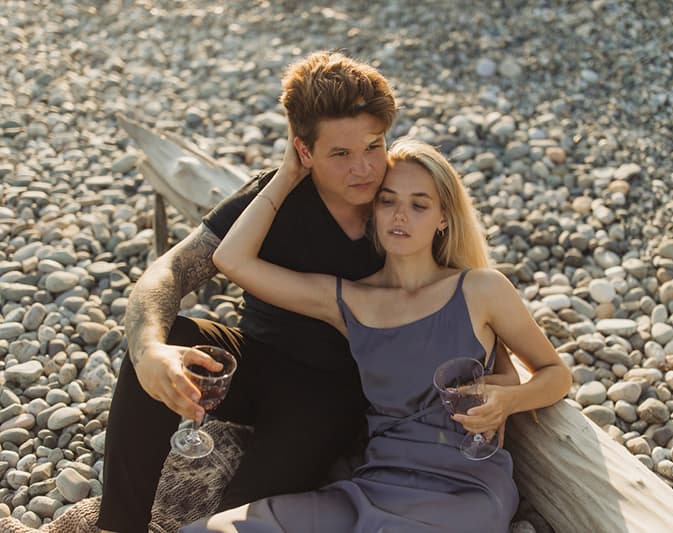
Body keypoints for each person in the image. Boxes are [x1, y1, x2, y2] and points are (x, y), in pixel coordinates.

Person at [181, 137, 572, 532]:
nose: (400, 215)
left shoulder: (482, 290)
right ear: (374, 210)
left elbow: (556, 373)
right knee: (210, 530)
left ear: (444, 218)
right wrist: (289, 172)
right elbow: (230, 259)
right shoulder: (351, 300)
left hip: (464, 490)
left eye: (419, 205)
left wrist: (509, 399)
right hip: (373, 483)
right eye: (388, 201)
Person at [98, 51, 409, 532]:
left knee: (235, 520)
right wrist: (148, 349)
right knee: (169, 336)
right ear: (303, 151)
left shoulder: (403, 203)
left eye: (374, 145)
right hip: (255, 362)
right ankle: (117, 526)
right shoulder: (273, 198)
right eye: (341, 154)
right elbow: (173, 269)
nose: (365, 169)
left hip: (333, 395)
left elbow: (463, 287)